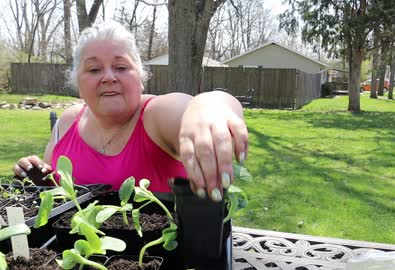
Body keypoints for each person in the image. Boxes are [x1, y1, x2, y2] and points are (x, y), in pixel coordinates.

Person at [12, 22, 248, 202]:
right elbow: (58, 198)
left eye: (121, 67)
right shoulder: (66, 122)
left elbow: (195, 107)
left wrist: (207, 106)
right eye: (94, 69)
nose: (108, 77)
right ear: (78, 84)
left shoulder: (155, 116)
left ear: (141, 79)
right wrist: (39, 178)